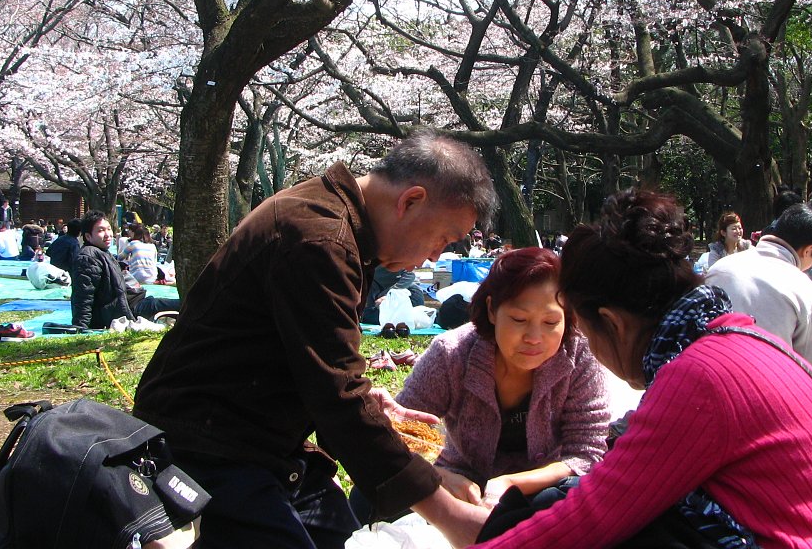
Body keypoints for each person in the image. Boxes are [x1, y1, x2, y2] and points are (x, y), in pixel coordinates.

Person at [131, 130, 500, 549]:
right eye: (444, 238)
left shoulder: (333, 220)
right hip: (207, 448)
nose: (436, 256)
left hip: (266, 445)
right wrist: (447, 513)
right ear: (410, 200)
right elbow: (337, 396)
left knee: (341, 538)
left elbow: (320, 372)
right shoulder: (320, 239)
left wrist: (369, 408)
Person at [470, 189, 812, 548]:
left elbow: (595, 514)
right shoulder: (742, 340)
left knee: (544, 515)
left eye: (587, 331)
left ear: (612, 323)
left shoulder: (700, 376)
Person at [381, 247, 607, 517]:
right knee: (378, 494)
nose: (534, 337)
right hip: (461, 483)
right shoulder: (451, 354)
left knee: (567, 499)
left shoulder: (578, 356)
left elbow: (586, 451)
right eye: (519, 319)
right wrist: (438, 477)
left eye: (550, 322)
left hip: (546, 485)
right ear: (492, 310)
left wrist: (511, 483)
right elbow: (399, 436)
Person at [703, 204, 812, 367]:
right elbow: (810, 366)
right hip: (767, 385)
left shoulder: (719, 268)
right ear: (808, 250)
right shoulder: (805, 290)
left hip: (706, 376)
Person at [70, 211, 135, 329]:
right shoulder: (88, 256)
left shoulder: (102, 252)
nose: (107, 234)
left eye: (109, 229)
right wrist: (81, 326)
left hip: (123, 304)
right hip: (112, 314)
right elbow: (83, 296)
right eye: (100, 230)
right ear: (88, 236)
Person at [361, 265, 427, 324]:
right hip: (380, 295)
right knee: (366, 316)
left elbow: (409, 276)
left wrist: (388, 295)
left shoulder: (392, 257)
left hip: (407, 292)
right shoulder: (365, 265)